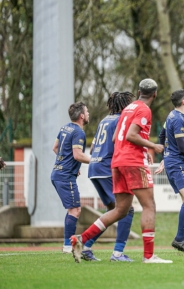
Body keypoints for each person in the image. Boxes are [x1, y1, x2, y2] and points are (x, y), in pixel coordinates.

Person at [71, 79, 172, 264]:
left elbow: (118, 136)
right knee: (149, 206)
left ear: (138, 91)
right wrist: (153, 146)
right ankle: (148, 256)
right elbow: (130, 135)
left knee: (121, 210)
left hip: (117, 163)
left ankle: (82, 239)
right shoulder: (144, 109)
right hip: (132, 162)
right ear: (155, 94)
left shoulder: (127, 109)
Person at [82, 91, 136, 262]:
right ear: (125, 105)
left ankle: (86, 247)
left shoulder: (104, 120)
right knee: (127, 210)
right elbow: (119, 142)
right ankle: (117, 253)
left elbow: (92, 149)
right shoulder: (122, 120)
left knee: (114, 211)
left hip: (94, 167)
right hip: (107, 168)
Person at [156, 89, 184, 253]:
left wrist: (165, 157)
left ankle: (181, 239)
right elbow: (181, 146)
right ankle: (180, 239)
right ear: (183, 102)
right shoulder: (179, 119)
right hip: (178, 163)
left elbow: (161, 136)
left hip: (173, 162)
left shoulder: (171, 116)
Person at [51, 102, 91, 254]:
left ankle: (68, 244)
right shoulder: (79, 132)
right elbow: (77, 155)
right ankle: (68, 246)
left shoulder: (64, 128)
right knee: (75, 210)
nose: (88, 114)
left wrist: (70, 164)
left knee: (73, 210)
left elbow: (55, 148)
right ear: (81, 116)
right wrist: (96, 161)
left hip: (58, 173)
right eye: (86, 112)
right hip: (65, 176)